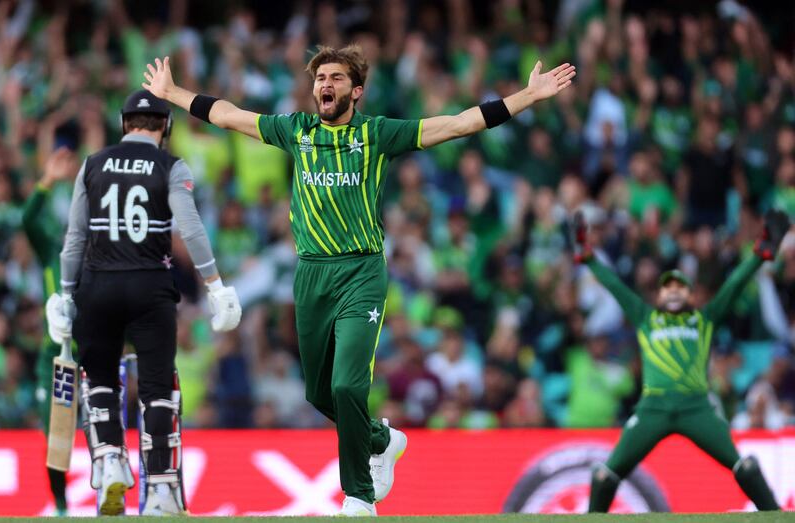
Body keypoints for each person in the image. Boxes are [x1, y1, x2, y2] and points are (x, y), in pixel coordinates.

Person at [141, 47, 575, 516]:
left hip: (361, 272)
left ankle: (358, 495)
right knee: (319, 393)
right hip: (310, 274)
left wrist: (527, 97)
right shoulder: (297, 131)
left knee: (348, 388)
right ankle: (381, 439)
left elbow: (457, 123)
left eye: (335, 78)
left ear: (356, 90)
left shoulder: (377, 133)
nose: (325, 84)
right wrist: (172, 93)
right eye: (320, 77)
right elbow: (227, 115)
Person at [45, 90, 242, 516]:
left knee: (98, 379)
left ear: (124, 124)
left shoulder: (92, 164)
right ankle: (161, 491)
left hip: (96, 286)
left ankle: (110, 460)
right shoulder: (171, 165)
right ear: (165, 128)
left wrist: (64, 294)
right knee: (157, 389)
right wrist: (215, 284)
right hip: (150, 286)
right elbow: (188, 227)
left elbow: (75, 237)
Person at [572, 210, 785, 513]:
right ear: (658, 296)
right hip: (652, 409)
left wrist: (759, 256)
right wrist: (588, 258)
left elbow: (734, 285)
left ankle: (775, 517)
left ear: (692, 295)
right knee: (605, 475)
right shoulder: (645, 318)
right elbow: (616, 287)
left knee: (743, 466)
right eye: (667, 287)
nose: (673, 290)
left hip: (696, 408)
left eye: (680, 287)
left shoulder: (704, 319)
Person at [22, 147, 79, 515]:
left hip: (91, 350)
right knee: (55, 433)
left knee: (99, 426)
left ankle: (112, 495)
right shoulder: (50, 252)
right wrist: (47, 181)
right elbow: (28, 220)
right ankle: (60, 506)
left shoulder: (94, 255)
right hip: (54, 357)